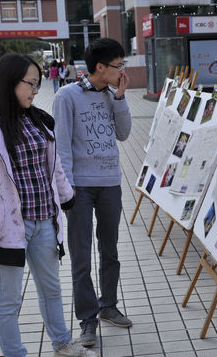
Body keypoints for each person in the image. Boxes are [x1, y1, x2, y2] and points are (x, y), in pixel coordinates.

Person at [0, 53, 95, 357]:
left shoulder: (37, 118)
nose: (36, 90)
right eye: (31, 84)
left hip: (45, 221)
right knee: (8, 300)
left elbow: (54, 166)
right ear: (11, 82)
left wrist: (67, 197)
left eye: (38, 84)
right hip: (9, 228)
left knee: (51, 289)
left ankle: (63, 343)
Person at [53, 38, 132, 347]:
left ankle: (108, 306)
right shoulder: (66, 96)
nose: (122, 70)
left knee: (110, 249)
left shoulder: (114, 94)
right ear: (100, 67)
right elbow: (61, 144)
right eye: (119, 65)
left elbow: (124, 134)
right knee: (81, 254)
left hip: (110, 183)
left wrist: (121, 98)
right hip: (80, 187)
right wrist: (67, 188)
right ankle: (87, 320)